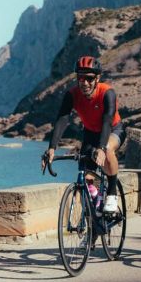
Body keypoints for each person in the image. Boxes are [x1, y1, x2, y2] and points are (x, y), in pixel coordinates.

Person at [42, 56, 126, 213]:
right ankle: (93, 220)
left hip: (113, 129)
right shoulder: (72, 95)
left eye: (89, 78)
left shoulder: (107, 93)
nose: (85, 83)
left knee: (107, 149)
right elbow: (62, 119)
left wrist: (101, 148)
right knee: (86, 180)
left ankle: (112, 194)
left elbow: (107, 121)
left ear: (97, 78)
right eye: (81, 78)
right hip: (90, 134)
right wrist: (52, 148)